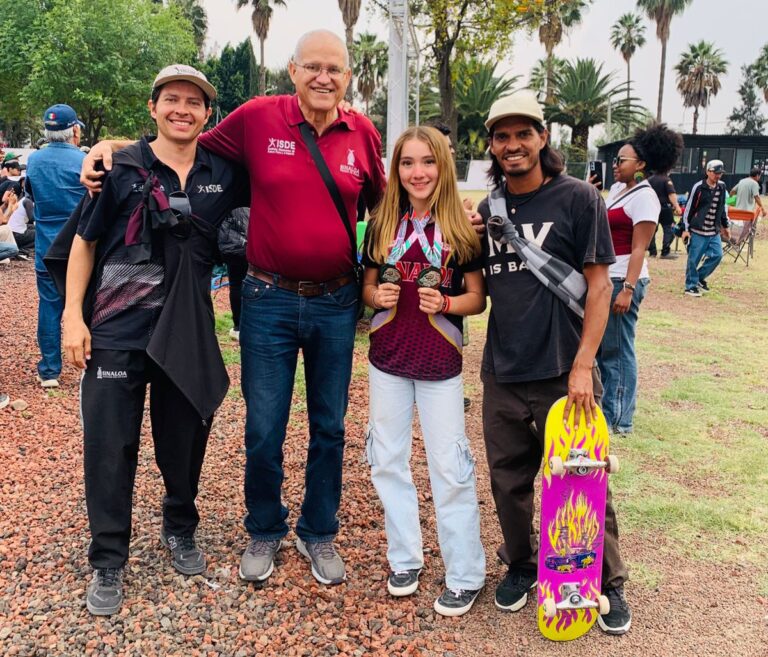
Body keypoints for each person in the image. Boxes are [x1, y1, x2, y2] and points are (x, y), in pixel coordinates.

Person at [80, 30, 387, 586]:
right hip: (267, 299)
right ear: (291, 71)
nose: (323, 78)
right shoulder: (255, 118)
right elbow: (174, 138)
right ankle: (264, 527)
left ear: (348, 78)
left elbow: (386, 208)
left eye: (334, 69)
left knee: (330, 425)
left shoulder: (362, 132)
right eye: (312, 67)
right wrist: (110, 147)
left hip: (337, 301)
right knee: (264, 426)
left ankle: (319, 531)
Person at [61, 65, 249, 616]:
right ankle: (108, 560)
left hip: (186, 330)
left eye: (194, 102)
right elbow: (84, 243)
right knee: (109, 445)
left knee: (185, 439)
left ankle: (180, 526)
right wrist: (73, 317)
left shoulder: (224, 171)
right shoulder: (118, 168)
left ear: (207, 114)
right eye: (171, 100)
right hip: (117, 329)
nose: (182, 110)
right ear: (153, 108)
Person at [476, 91, 631, 635]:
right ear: (492, 146)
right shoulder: (488, 210)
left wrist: (584, 363)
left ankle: (606, 582)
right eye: (502, 136)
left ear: (543, 138)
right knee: (508, 479)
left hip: (565, 370)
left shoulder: (577, 199)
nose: (513, 145)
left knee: (583, 480)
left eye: (523, 134)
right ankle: (522, 566)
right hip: (503, 369)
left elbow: (597, 285)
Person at [361, 126, 486, 617]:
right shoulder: (381, 223)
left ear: (444, 167)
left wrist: (449, 301)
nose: (418, 172)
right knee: (387, 460)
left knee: (450, 468)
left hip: (439, 362)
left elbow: (478, 298)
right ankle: (405, 559)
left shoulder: (462, 227)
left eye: (428, 162)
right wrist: (376, 297)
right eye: (408, 163)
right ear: (396, 170)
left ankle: (464, 573)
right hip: (388, 358)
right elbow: (366, 287)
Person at [597, 123, 683, 435]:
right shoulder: (620, 190)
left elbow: (639, 247)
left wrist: (628, 289)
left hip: (625, 280)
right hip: (609, 278)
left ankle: (620, 419)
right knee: (602, 349)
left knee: (618, 351)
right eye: (616, 160)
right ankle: (606, 411)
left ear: (641, 165)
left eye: (622, 160)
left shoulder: (645, 196)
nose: (615, 165)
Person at [25, 104, 87, 387]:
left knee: (49, 307)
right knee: (89, 305)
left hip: (46, 247)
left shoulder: (35, 160)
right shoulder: (84, 160)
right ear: (74, 129)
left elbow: (30, 196)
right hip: (80, 247)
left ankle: (49, 370)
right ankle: (91, 363)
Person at [681, 160, 730, 297]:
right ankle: (690, 286)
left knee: (717, 255)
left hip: (713, 230)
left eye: (720, 173)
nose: (718, 176)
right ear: (708, 171)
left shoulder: (721, 187)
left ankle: (699, 279)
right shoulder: (698, 187)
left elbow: (722, 208)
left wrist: (725, 226)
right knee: (693, 259)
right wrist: (685, 228)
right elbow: (688, 209)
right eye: (715, 173)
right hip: (698, 230)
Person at [216, 207, 249, 340]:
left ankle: (238, 326)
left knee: (236, 284)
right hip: (250, 243)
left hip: (232, 245)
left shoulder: (231, 194)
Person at [647, 161, 683, 259]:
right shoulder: (666, 180)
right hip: (665, 208)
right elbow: (671, 194)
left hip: (651, 207)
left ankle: (652, 252)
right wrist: (677, 206)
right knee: (669, 229)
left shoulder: (649, 180)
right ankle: (665, 251)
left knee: (651, 230)